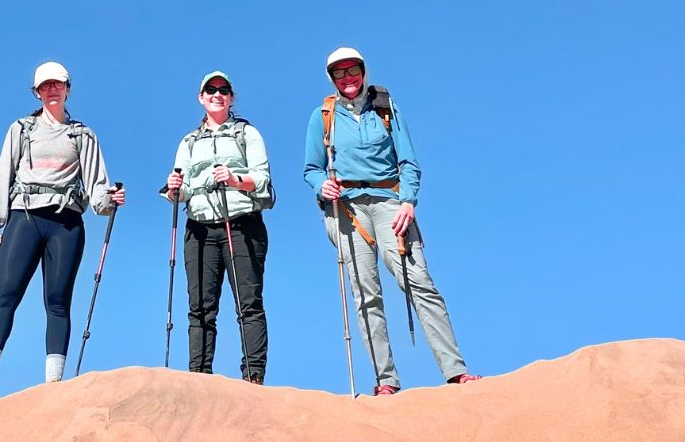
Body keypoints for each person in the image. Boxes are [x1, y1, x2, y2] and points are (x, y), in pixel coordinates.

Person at [302, 46, 480, 394]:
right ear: (331, 79)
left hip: (390, 203)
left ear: (363, 72)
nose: (347, 78)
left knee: (418, 282)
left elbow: (408, 162)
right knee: (366, 294)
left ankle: (455, 370)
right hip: (348, 210)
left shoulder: (385, 108)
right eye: (339, 73)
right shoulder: (322, 115)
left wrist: (408, 202)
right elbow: (311, 168)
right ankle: (385, 382)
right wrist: (321, 186)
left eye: (353, 70)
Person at [0, 61, 124, 399]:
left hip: (66, 221)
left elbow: (98, 184)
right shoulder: (22, 129)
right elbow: (3, 176)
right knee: (6, 296)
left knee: (57, 302)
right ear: (37, 92)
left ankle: (53, 384)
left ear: (68, 88)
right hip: (24, 216)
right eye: (44, 86)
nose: (51, 90)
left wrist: (109, 201)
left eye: (57, 85)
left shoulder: (82, 134)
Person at [163, 70, 274, 384]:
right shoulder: (188, 141)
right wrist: (173, 187)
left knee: (248, 304)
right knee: (199, 306)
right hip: (199, 228)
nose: (217, 94)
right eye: (210, 90)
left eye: (223, 90)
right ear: (200, 98)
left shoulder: (246, 134)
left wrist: (235, 180)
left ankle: (253, 377)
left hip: (241, 224)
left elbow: (262, 178)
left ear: (231, 98)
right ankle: (199, 377)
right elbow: (179, 188)